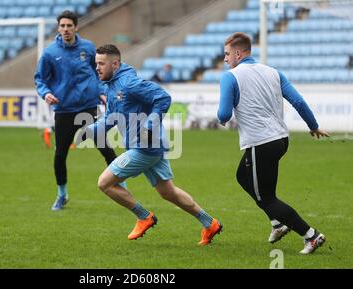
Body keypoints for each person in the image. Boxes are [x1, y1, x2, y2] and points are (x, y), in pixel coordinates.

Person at [81, 44, 222, 244]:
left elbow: (163, 98)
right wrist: (89, 131)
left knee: (104, 183)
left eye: (101, 63)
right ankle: (210, 223)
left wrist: (148, 125)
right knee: (168, 192)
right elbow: (112, 117)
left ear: (115, 63)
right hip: (150, 146)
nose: (97, 68)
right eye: (96, 63)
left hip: (145, 146)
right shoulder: (111, 86)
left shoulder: (129, 83)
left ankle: (144, 216)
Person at [217, 32, 330, 254]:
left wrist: (221, 118)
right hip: (280, 140)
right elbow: (297, 100)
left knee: (266, 198)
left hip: (261, 142)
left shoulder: (231, 77)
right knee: (242, 175)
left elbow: (224, 113)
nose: (225, 59)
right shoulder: (273, 72)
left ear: (238, 53)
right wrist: (313, 126)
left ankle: (311, 235)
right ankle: (278, 223)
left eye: (227, 54)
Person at [34, 10, 120, 211]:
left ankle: (120, 184)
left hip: (88, 106)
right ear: (58, 28)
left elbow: (98, 72)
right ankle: (62, 195)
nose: (65, 29)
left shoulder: (89, 48)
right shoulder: (49, 53)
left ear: (76, 27)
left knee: (105, 147)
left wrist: (101, 91)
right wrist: (46, 93)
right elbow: (40, 79)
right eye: (62, 26)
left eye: (69, 26)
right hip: (64, 110)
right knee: (60, 154)